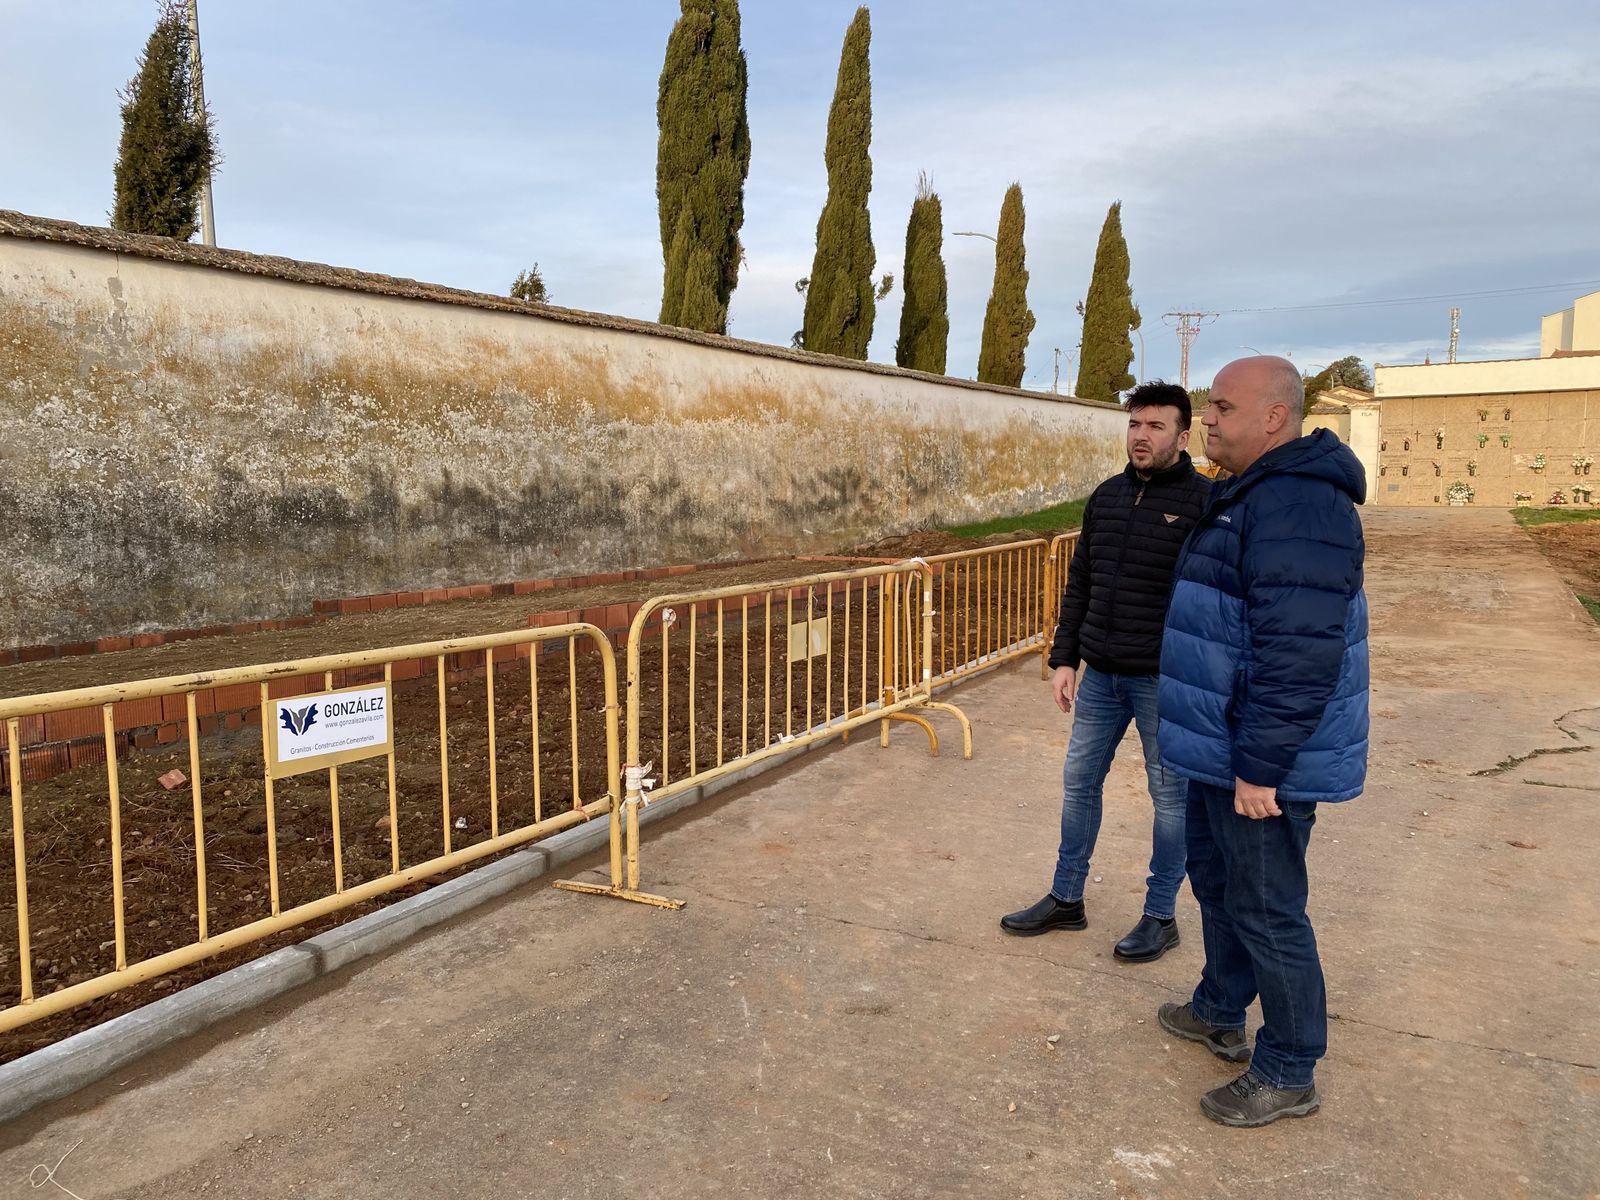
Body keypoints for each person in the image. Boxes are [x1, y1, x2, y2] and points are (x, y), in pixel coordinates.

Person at [1154, 355, 1368, 1128]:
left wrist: (1260, 766)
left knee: (1270, 908)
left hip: (1258, 759)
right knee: (1220, 887)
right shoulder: (1252, 493)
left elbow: (1298, 650)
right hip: (1223, 747)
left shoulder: (1300, 505)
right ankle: (1219, 1007)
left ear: (1274, 417)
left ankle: (1288, 1067)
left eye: (1220, 407)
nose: (1205, 419)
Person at [1001, 381, 1210, 961]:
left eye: (1156, 426)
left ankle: (1161, 915)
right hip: (1101, 677)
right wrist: (1064, 657)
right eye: (1135, 425)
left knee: (1169, 801)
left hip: (1162, 683)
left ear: (1182, 436)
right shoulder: (1108, 496)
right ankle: (1068, 898)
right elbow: (1081, 583)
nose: (1141, 436)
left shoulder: (1200, 504)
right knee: (1079, 784)